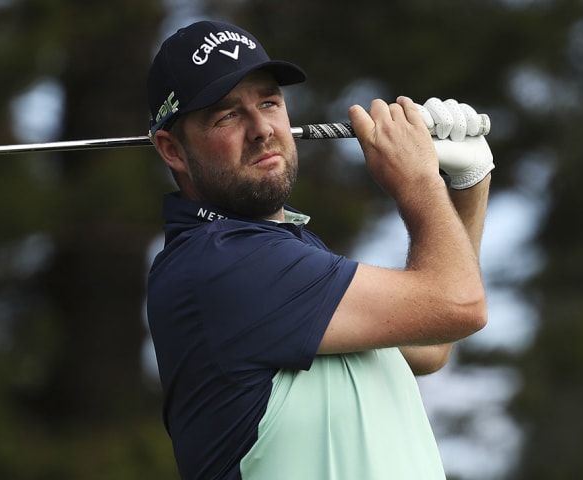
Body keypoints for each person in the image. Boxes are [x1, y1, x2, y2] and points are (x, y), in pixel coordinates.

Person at [146, 20, 493, 480]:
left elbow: (429, 344)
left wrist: (470, 181)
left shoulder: (289, 252)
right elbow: (459, 304)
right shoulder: (219, 263)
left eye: (269, 102)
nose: (262, 129)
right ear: (172, 150)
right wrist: (419, 179)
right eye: (226, 114)